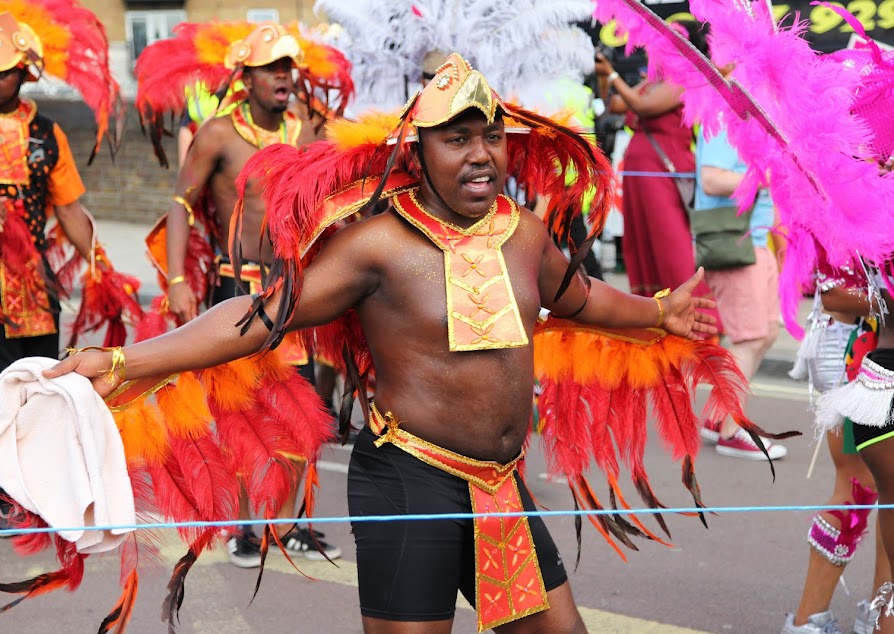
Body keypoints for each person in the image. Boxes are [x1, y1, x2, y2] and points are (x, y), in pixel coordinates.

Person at [49, 52, 722, 634]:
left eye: (492, 136)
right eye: (457, 139)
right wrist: (121, 359)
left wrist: (659, 313)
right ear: (417, 152)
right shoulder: (377, 246)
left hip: (499, 486)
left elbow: (580, 297)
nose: (482, 153)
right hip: (409, 478)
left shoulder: (523, 233)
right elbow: (257, 319)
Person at [134, 20, 347, 567]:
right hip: (240, 292)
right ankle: (245, 528)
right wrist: (179, 282)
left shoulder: (315, 130)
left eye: (288, 67)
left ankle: (291, 524)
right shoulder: (218, 134)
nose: (283, 76)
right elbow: (181, 205)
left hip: (301, 291)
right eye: (270, 68)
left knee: (304, 408)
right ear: (245, 77)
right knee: (242, 414)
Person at [0, 7, 130, 535]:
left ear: (26, 72)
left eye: (2, 72)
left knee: (41, 390)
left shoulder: (48, 133)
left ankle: (36, 493)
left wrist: (103, 268)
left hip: (33, 285)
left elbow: (69, 210)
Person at [783, 253, 889, 634]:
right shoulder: (864, 191)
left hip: (872, 345)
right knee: (856, 486)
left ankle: (881, 614)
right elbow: (835, 294)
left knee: (887, 490)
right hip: (857, 353)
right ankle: (807, 621)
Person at [593, 21, 720, 318]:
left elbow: (643, 106)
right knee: (642, 244)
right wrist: (603, 76)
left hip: (663, 175)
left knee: (670, 242)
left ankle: (695, 314)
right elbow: (615, 105)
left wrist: (613, 74)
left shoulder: (684, 81)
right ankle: (655, 312)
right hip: (640, 175)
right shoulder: (652, 82)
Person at [693, 122, 788, 460]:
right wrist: (764, 176)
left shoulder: (756, 121)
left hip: (756, 240)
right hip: (733, 240)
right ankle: (732, 431)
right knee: (749, 337)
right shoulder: (721, 121)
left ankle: (718, 419)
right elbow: (712, 179)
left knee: (766, 333)